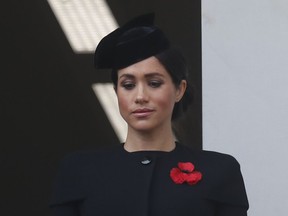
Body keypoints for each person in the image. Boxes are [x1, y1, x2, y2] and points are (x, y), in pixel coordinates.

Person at [49, 13, 249, 216]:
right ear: (116, 92)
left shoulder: (220, 171)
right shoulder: (79, 170)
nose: (140, 96)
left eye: (154, 83)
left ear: (179, 89)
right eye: (128, 85)